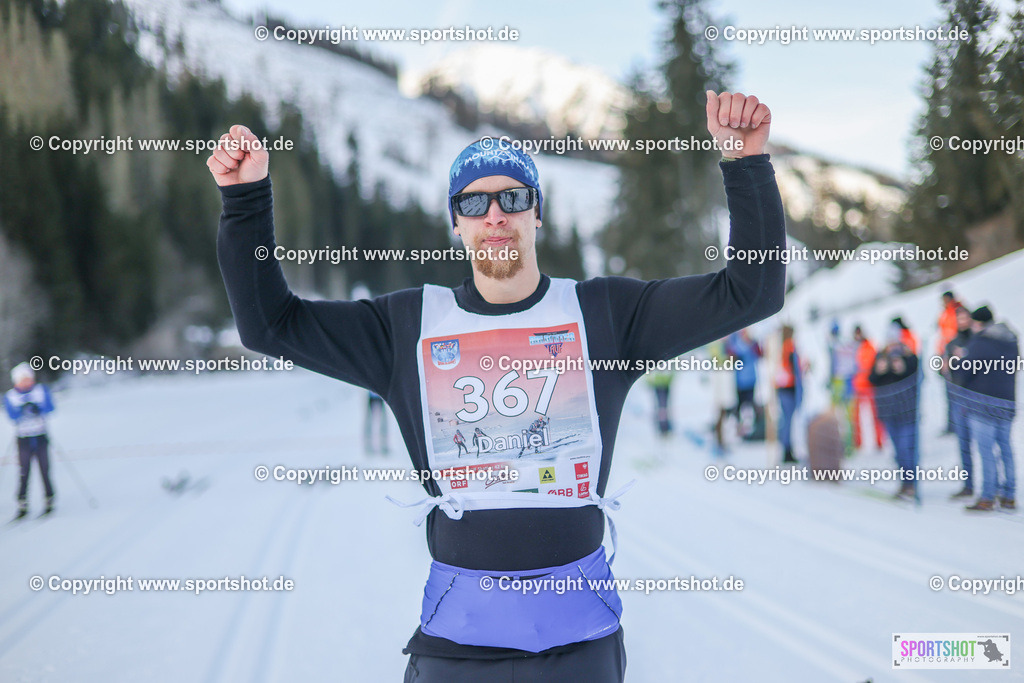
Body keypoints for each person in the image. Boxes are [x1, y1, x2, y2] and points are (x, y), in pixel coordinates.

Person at [209, 90, 784, 681]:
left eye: (512, 197)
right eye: (474, 202)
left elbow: (752, 291)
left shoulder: (604, 313)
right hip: (457, 647)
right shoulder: (407, 325)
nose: (495, 215)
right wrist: (245, 200)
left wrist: (745, 162)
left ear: (537, 212)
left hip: (578, 646)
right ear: (456, 221)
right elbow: (270, 323)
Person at [952, 306, 1017, 512]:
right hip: (1006, 402)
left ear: (977, 323)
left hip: (982, 405)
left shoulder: (979, 342)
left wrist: (957, 360)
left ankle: (988, 496)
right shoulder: (1011, 340)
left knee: (986, 451)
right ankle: (1009, 495)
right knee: (1005, 449)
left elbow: (963, 374)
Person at [868, 330, 920, 501]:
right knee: (898, 451)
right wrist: (879, 370)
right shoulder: (880, 357)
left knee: (907, 449)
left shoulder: (910, 357)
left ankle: (911, 484)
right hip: (888, 412)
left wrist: (902, 368)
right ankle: (905, 483)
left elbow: (917, 377)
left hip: (907, 412)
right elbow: (871, 379)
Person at [4, 363, 56, 519]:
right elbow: (12, 416)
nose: (26, 382)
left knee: (44, 468)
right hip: (24, 438)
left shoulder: (41, 391)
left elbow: (50, 408)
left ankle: (49, 498)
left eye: (28, 378)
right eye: (22, 379)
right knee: (24, 471)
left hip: (40, 435)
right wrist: (21, 410)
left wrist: (38, 408)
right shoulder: (10, 396)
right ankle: (22, 502)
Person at [940, 305, 974, 498]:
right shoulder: (952, 343)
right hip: (958, 398)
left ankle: (993, 487)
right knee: (964, 445)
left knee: (986, 446)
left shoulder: (977, 341)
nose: (961, 322)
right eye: (958, 319)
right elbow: (944, 370)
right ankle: (968, 484)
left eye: (964, 318)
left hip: (978, 399)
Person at [851, 325, 885, 451]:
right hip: (857, 386)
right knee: (856, 417)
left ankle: (879, 441)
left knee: (875, 415)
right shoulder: (853, 348)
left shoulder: (869, 346)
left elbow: (872, 364)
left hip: (870, 385)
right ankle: (858, 442)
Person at [725, 328, 762, 438]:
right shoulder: (734, 341)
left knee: (749, 406)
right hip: (740, 380)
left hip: (751, 379)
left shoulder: (753, 344)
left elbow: (760, 354)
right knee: (740, 406)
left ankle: (748, 428)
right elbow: (730, 356)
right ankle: (739, 429)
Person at [775, 325, 802, 463]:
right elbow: (795, 368)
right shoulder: (789, 346)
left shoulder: (779, 346)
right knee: (788, 421)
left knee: (786, 420)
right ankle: (787, 450)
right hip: (789, 387)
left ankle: (787, 448)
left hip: (782, 387)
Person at [936, 290, 961, 432]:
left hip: (954, 355)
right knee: (948, 391)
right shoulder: (944, 314)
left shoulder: (958, 311)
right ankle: (952, 423)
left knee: (956, 390)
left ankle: (959, 423)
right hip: (944, 354)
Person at [645, 368, 674, 438]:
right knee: (661, 406)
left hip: (666, 382)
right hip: (658, 383)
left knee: (664, 406)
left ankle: (665, 427)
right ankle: (663, 428)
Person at [365, 390, 389, 454]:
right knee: (369, 421)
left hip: (380, 396)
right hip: (371, 397)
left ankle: (384, 444)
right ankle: (368, 444)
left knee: (383, 421)